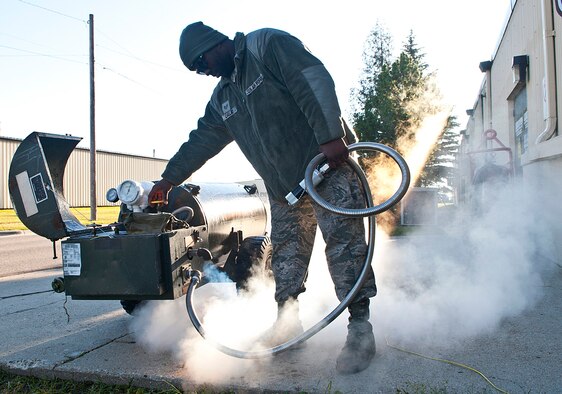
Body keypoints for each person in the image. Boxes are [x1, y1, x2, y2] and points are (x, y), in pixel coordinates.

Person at [148, 21, 377, 374]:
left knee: (345, 248)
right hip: (286, 188)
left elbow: (312, 79)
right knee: (285, 256)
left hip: (327, 166)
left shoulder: (266, 46)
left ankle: (360, 327)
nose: (203, 71)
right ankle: (288, 325)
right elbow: (202, 140)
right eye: (197, 70)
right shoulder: (223, 97)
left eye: (201, 62)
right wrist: (169, 178)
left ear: (214, 44)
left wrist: (330, 135)